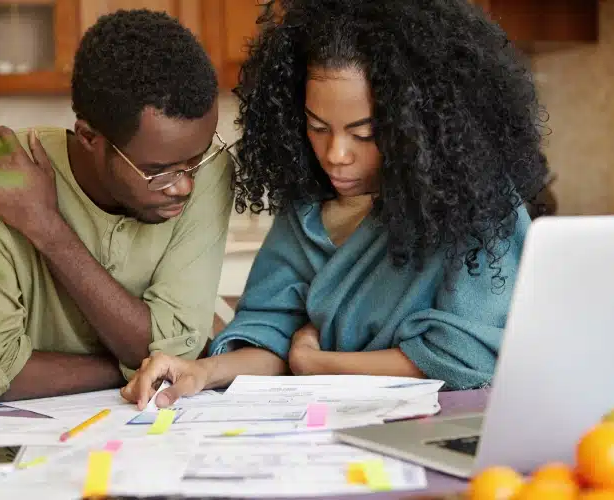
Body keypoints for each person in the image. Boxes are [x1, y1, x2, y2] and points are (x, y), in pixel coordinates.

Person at [121, 0, 550, 409]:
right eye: (317, 127)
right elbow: (271, 336)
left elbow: (467, 357)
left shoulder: (475, 206)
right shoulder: (308, 210)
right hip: (327, 435)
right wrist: (201, 372)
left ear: (418, 125)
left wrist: (318, 364)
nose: (336, 154)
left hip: (444, 429)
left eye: (364, 133)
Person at [0, 9, 235, 401]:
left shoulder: (212, 173)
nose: (184, 186)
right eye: (158, 171)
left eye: (196, 160)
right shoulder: (6, 179)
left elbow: (178, 354)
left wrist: (48, 230)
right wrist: (144, 362)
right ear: (89, 137)